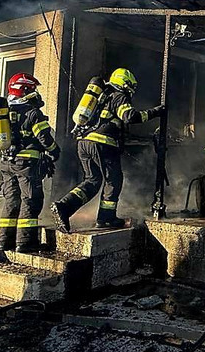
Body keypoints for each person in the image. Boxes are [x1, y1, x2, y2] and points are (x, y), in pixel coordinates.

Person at [52, 68, 163, 232]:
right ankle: (106, 218)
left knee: (92, 181)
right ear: (125, 84)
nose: (132, 89)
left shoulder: (101, 96)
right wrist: (156, 112)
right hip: (102, 144)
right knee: (113, 181)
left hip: (84, 143)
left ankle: (64, 207)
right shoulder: (118, 96)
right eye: (131, 86)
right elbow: (130, 117)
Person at [0, 73, 59, 253]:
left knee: (11, 201)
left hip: (7, 162)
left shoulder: (5, 111)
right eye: (33, 89)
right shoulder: (32, 113)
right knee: (31, 200)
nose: (35, 93)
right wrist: (55, 151)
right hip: (26, 165)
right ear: (24, 89)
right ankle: (25, 243)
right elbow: (45, 138)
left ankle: (4, 241)